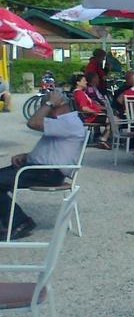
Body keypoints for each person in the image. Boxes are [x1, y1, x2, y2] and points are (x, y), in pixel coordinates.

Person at [0, 90, 86, 240]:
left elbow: (32, 123)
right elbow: (52, 150)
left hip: (48, 173)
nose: (43, 111)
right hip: (41, 169)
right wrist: (27, 156)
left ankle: (19, 222)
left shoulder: (68, 122)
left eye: (45, 107)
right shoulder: (62, 122)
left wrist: (49, 102)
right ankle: (14, 221)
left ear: (58, 105)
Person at [71, 73, 111, 149]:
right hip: (91, 117)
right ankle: (103, 139)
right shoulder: (79, 93)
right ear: (78, 83)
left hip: (91, 116)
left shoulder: (79, 93)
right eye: (84, 81)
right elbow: (84, 108)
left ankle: (103, 139)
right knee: (114, 120)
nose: (86, 82)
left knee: (113, 119)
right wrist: (97, 112)